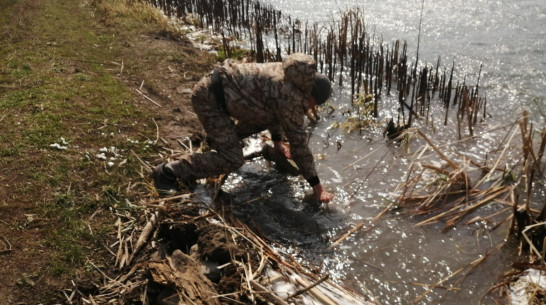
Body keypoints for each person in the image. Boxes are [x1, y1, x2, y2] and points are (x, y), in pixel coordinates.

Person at [153, 53, 334, 203]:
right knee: (233, 159)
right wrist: (318, 188)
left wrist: (277, 143)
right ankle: (168, 171)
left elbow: (275, 113)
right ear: (310, 95)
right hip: (210, 100)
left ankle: (218, 141)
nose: (311, 108)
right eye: (314, 103)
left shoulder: (291, 75)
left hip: (220, 88)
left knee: (263, 118)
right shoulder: (290, 97)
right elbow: (300, 146)